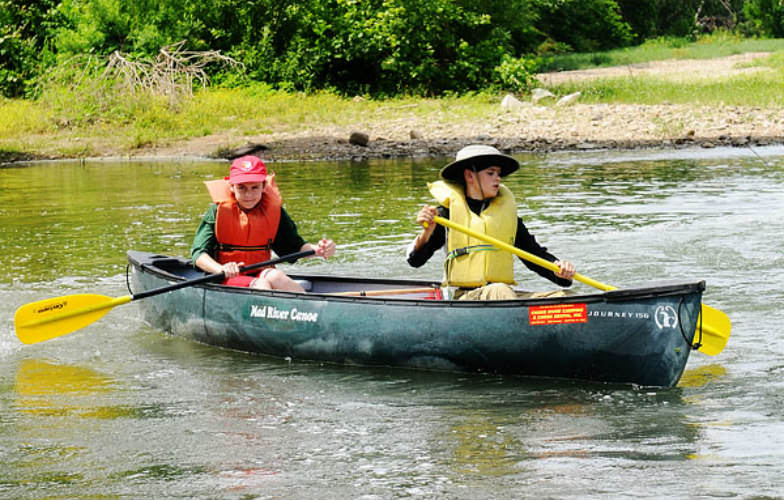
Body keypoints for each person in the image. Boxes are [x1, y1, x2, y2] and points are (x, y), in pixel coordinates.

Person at [407, 145, 576, 300]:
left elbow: (534, 255)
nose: (498, 179)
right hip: (463, 297)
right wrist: (427, 233)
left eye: (499, 174)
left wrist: (558, 270)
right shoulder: (446, 215)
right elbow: (415, 261)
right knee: (500, 290)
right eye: (490, 173)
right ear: (469, 175)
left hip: (501, 296)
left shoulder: (508, 217)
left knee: (565, 297)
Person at [191, 155, 336, 291]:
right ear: (231, 187)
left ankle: (311, 309)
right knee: (261, 284)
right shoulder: (217, 211)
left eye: (254, 187)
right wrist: (221, 269)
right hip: (225, 277)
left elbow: (296, 248)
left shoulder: (274, 212)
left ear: (264, 186)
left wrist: (320, 250)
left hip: (261, 271)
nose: (248, 195)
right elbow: (198, 255)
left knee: (277, 276)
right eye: (241, 188)